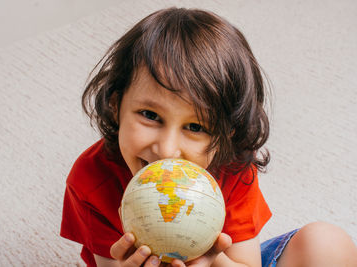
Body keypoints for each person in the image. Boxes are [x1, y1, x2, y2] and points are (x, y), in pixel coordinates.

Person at [60, 7, 357, 267]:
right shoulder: (91, 180)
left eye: (196, 127)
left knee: (327, 244)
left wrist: (214, 261)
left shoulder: (233, 169)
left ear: (226, 134)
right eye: (150, 115)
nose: (167, 149)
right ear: (115, 105)